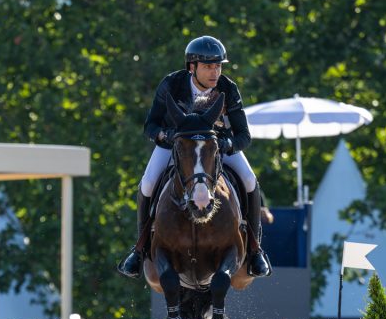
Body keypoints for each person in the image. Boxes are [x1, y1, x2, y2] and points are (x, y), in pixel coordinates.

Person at [116, 35, 272, 279]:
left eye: (218, 66)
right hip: (177, 146)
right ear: (192, 67)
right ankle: (140, 249)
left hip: (214, 148)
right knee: (147, 184)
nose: (215, 72)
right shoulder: (172, 84)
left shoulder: (228, 88)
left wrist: (226, 144)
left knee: (250, 180)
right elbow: (151, 125)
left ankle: (254, 250)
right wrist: (165, 136)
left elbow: (244, 135)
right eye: (209, 66)